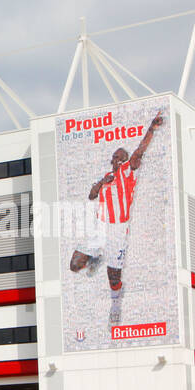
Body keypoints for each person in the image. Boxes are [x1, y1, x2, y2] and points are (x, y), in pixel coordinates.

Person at [69, 110, 166, 328]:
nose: (115, 159)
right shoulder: (107, 177)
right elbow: (91, 195)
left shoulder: (127, 172)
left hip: (118, 230)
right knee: (74, 265)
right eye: (114, 156)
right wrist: (101, 183)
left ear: (124, 160)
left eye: (119, 157)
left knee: (114, 276)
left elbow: (140, 152)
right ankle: (95, 258)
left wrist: (151, 128)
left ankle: (115, 305)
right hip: (100, 229)